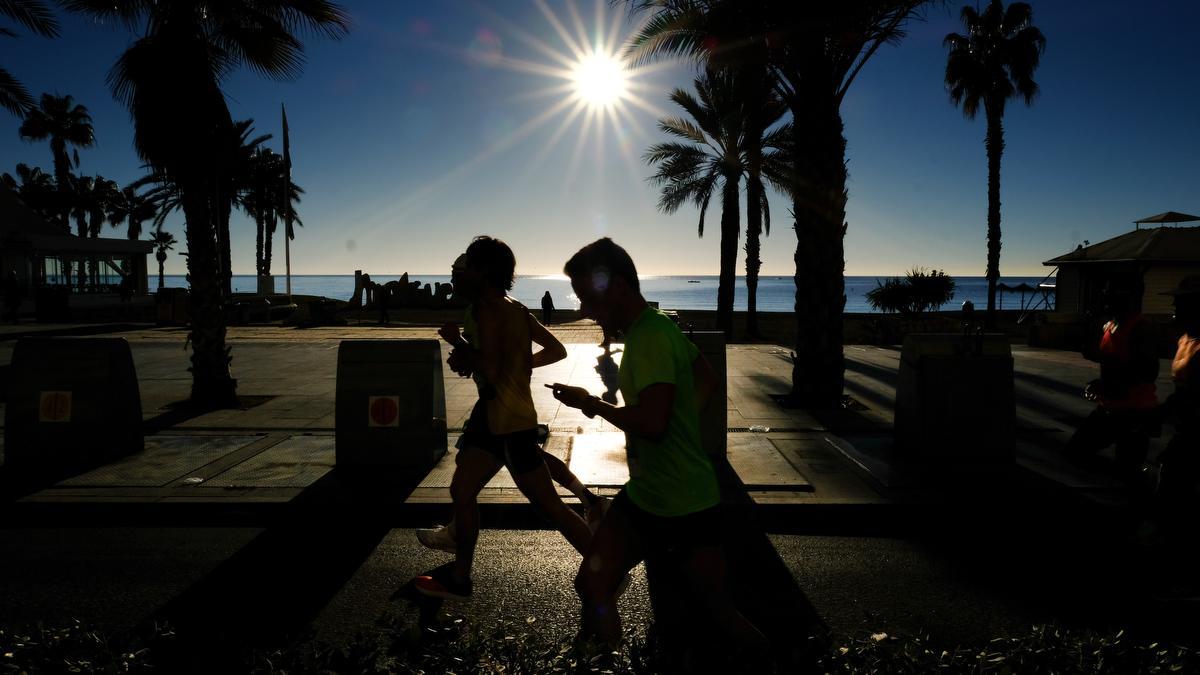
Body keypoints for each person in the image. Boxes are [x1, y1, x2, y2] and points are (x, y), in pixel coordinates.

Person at [548, 238, 765, 649]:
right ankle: (608, 657)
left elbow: (651, 424)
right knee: (594, 583)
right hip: (655, 495)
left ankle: (773, 663)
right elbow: (705, 379)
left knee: (716, 613)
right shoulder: (660, 325)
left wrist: (590, 404)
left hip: (682, 504)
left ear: (617, 287)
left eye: (588, 299)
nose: (585, 311)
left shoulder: (648, 339)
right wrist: (680, 419)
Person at [413, 237, 594, 600]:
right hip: (495, 416)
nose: (459, 273)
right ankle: (459, 575)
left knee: (549, 505)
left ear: (483, 272)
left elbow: (491, 368)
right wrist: (518, 362)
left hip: (509, 422)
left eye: (467, 267)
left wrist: (459, 347)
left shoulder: (486, 310)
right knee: (462, 490)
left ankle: (606, 565)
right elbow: (554, 350)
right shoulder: (515, 308)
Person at [1065, 281, 1160, 484]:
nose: (1106, 301)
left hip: (1135, 410)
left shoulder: (1140, 327)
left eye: (1112, 297)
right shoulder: (1109, 325)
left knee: (1125, 469)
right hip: (1110, 406)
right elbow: (1110, 359)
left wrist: (1108, 380)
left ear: (1128, 300)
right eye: (1105, 295)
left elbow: (1148, 371)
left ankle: (1141, 484)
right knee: (1076, 452)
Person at [1155, 276, 1200, 522]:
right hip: (1184, 426)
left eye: (1181, 303)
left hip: (1194, 428)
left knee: (1172, 482)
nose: (1174, 308)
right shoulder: (1184, 339)